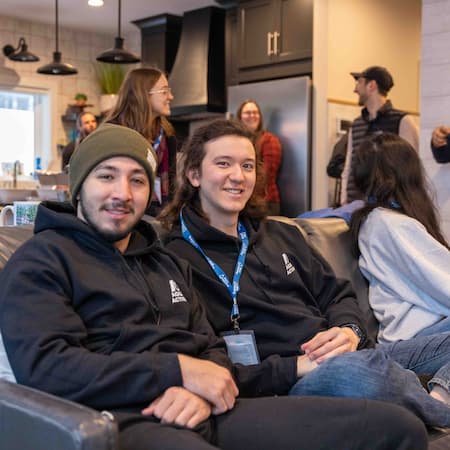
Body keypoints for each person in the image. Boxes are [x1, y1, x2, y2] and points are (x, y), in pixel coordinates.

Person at [0, 123, 427, 450]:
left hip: (213, 408)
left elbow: (211, 347)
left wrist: (207, 385)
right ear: (78, 187)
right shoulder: (43, 259)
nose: (122, 194)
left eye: (136, 180)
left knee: (398, 429)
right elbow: (47, 367)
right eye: (106, 177)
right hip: (129, 415)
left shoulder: (162, 261)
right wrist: (180, 373)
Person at [161, 118, 450, 428]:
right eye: (223, 164)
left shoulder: (282, 234)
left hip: (350, 354)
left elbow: (337, 294)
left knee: (362, 365)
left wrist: (349, 330)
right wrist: (297, 366)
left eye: (247, 166)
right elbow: (205, 362)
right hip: (294, 380)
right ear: (193, 174)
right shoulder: (174, 257)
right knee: (355, 374)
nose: (237, 176)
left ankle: (435, 394)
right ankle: (435, 409)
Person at [349, 132, 450, 344]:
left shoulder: (386, 220)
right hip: (414, 336)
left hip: (427, 329)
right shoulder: (389, 224)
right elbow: (442, 283)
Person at [341, 66, 419, 204]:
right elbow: (348, 166)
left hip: (389, 208)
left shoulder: (402, 121)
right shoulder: (356, 124)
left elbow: (410, 169)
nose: (355, 89)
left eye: (359, 82)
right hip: (355, 206)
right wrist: (344, 200)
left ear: (372, 85)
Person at [106, 67, 178, 217]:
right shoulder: (113, 133)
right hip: (121, 212)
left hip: (160, 215)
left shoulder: (167, 135)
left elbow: (172, 183)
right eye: (164, 91)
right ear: (144, 95)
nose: (171, 96)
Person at [236, 99, 282, 216]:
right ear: (240, 117)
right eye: (247, 112)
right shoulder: (236, 141)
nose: (252, 115)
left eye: (255, 112)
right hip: (243, 200)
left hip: (265, 202)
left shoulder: (269, 140)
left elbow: (266, 174)